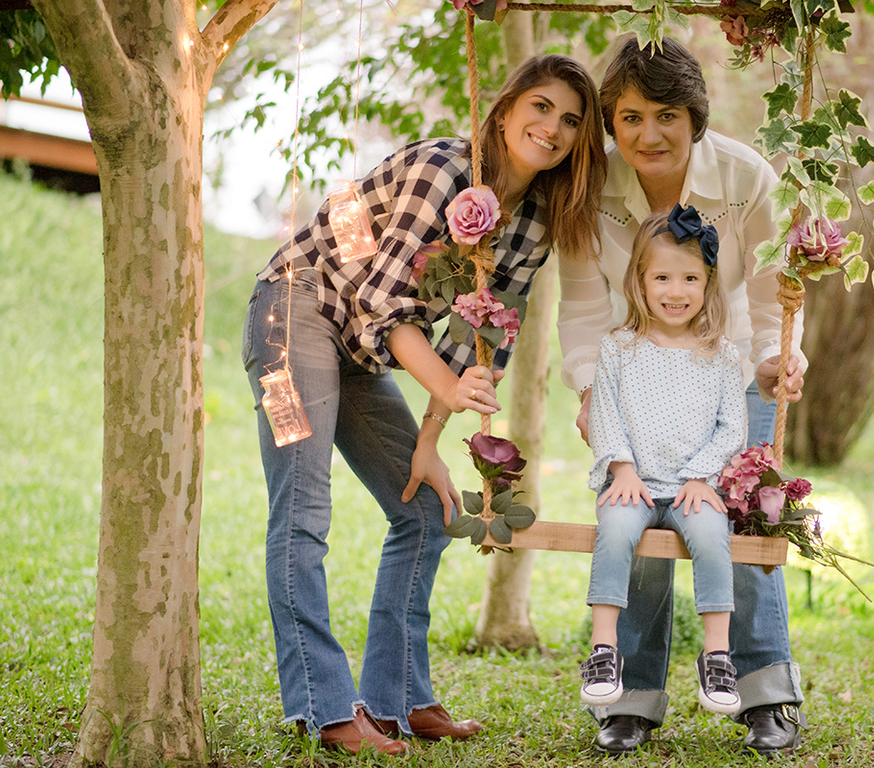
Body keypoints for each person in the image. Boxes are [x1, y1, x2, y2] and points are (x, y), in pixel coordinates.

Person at [243, 54, 606, 756]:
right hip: (293, 313)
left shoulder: (534, 221)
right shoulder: (443, 169)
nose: (552, 127)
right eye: (540, 106)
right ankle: (322, 708)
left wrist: (430, 440)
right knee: (303, 511)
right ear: (504, 110)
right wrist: (441, 386)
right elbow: (382, 300)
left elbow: (484, 334)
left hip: (359, 351)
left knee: (425, 507)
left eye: (570, 120)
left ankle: (401, 699)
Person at [557, 37, 807, 756]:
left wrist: (774, 364)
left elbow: (771, 294)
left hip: (727, 371)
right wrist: (589, 391)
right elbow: (580, 305)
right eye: (629, 116)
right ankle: (630, 699)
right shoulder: (590, 186)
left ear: (694, 116)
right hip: (633, 375)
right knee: (635, 529)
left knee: (743, 529)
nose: (648, 134)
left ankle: (763, 692)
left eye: (666, 114)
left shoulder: (745, 177)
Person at [580, 206, 746, 720]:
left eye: (691, 278)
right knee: (615, 533)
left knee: (714, 538)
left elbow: (732, 427)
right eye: (663, 278)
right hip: (636, 483)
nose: (677, 291)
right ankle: (604, 649)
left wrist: (701, 475)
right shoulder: (618, 348)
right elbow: (603, 414)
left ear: (708, 282)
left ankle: (717, 655)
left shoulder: (721, 355)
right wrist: (622, 470)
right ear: (640, 282)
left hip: (692, 485)